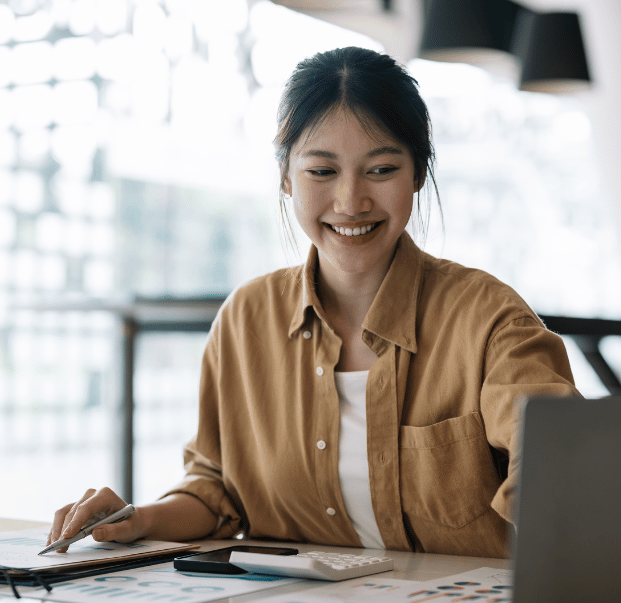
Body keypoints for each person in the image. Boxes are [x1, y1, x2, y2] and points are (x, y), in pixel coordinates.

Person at [48, 46, 578, 559]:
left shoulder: (488, 319)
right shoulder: (244, 322)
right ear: (285, 175)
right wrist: (140, 519)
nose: (351, 202)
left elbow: (563, 459)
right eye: (321, 171)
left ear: (417, 173)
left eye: (381, 170)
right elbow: (216, 491)